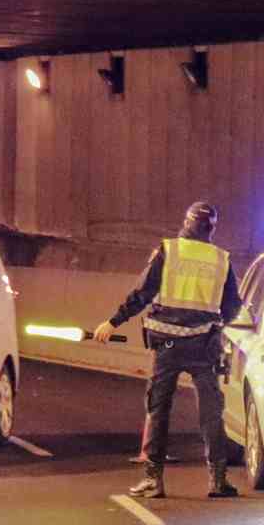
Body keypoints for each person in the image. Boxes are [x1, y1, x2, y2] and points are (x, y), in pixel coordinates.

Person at [94, 200, 242, 499]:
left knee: (159, 410)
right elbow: (232, 306)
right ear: (212, 229)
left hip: (168, 344)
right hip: (204, 344)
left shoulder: (169, 251)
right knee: (211, 412)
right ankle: (217, 480)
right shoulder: (221, 259)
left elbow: (143, 293)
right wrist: (215, 324)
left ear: (187, 222)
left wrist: (114, 321)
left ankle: (153, 479)